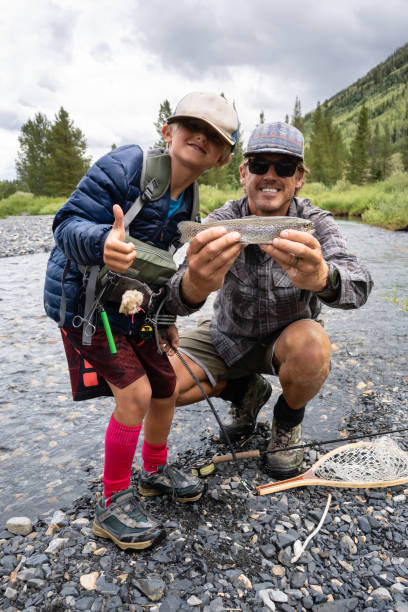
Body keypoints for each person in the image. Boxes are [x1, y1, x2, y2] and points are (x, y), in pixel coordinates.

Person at [43, 92, 240, 550]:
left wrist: (167, 316)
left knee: (166, 386)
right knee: (136, 394)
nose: (200, 137)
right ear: (168, 131)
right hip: (85, 304)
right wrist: (101, 243)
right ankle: (111, 501)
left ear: (222, 157)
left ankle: (153, 472)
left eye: (214, 136)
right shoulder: (125, 166)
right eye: (191, 125)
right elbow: (65, 224)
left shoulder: (190, 204)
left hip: (135, 307)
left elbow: (161, 270)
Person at [166, 121, 373, 479]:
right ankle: (246, 392)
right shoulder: (221, 220)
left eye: (285, 167)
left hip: (289, 342)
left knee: (313, 345)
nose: (271, 176)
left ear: (300, 177)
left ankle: (286, 420)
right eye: (260, 166)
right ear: (243, 173)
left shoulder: (313, 223)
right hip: (225, 337)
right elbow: (169, 295)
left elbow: (361, 284)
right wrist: (193, 284)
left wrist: (325, 278)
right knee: (158, 382)